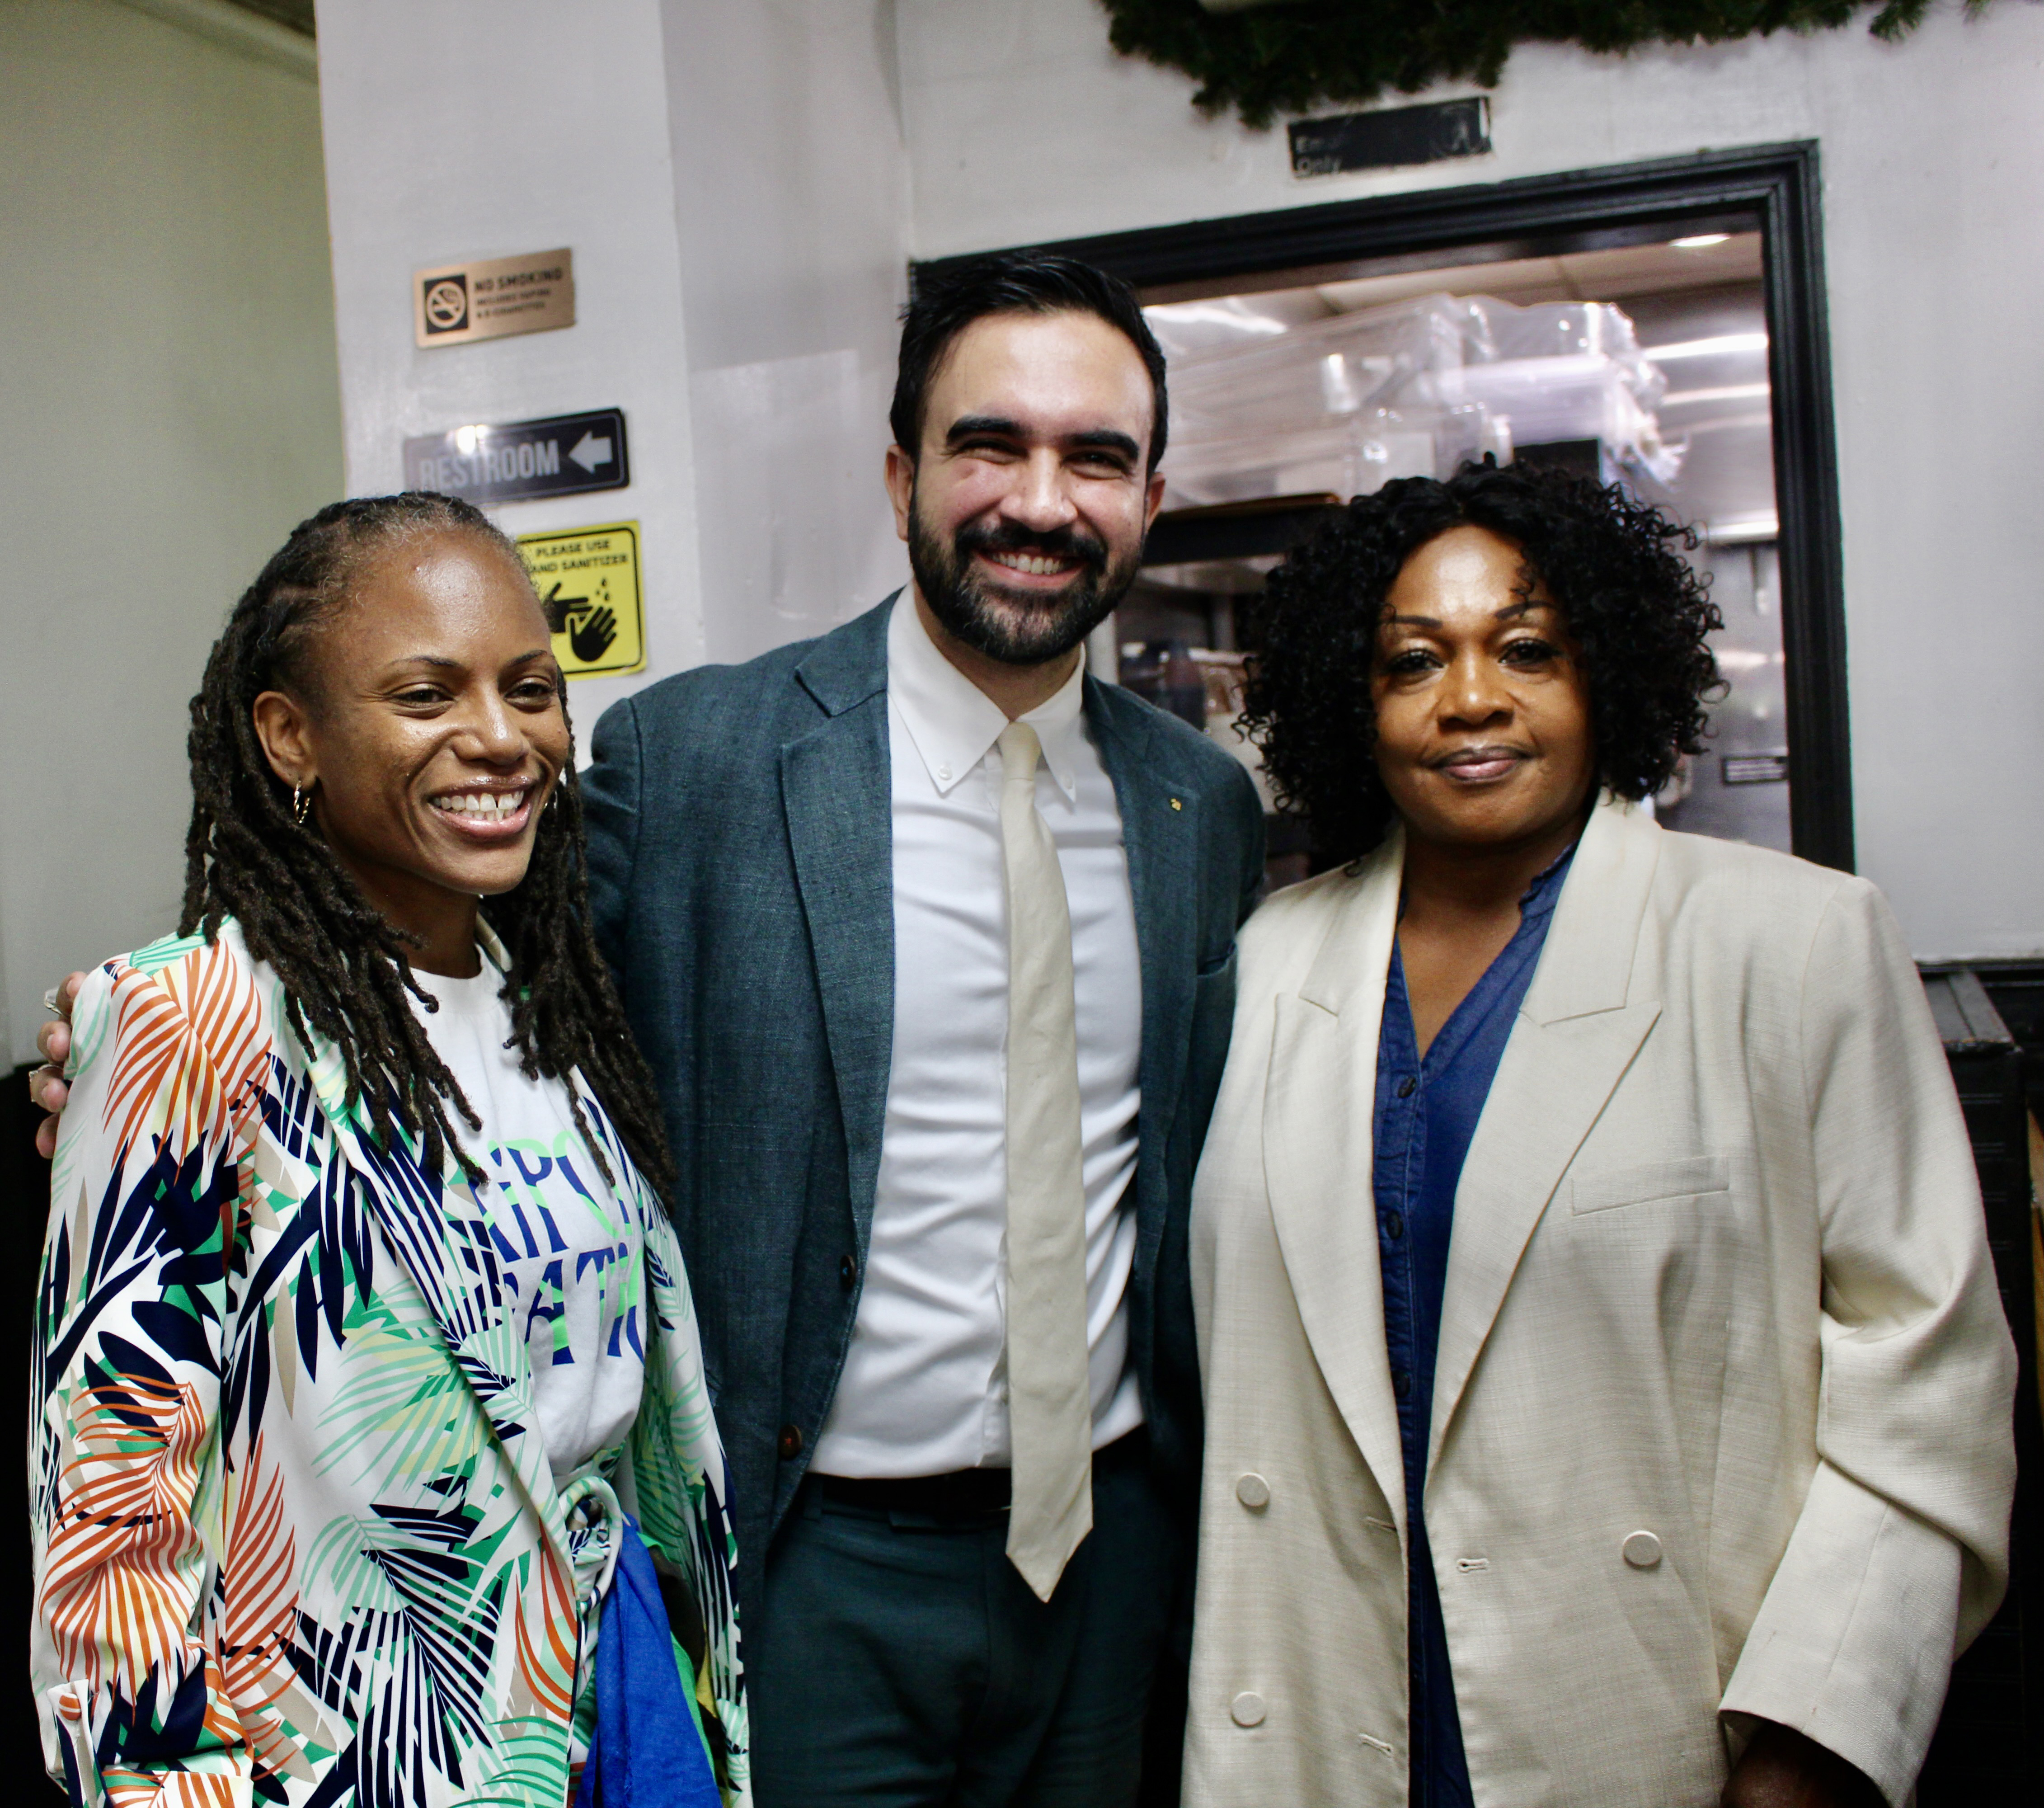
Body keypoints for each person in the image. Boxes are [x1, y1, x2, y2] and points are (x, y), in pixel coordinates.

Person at [1182, 461, 2017, 1808]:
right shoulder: (1271, 960)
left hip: (1646, 1704)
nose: (1470, 699)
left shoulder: (1791, 942)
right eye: (1413, 661)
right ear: (1356, 702)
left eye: (1527, 651)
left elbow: (1926, 1383)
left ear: (1605, 679)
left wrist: (1811, 1738)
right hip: (1326, 1699)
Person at [573, 254, 1262, 1805]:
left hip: (1109, 1562)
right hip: (813, 1564)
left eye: (1095, 459)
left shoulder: (1197, 806)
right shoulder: (695, 763)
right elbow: (473, 1000)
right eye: (988, 446)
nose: (1040, 502)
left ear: (1151, 501)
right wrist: (187, 1046)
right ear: (901, 478)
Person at [30, 494, 746, 1808]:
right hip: (368, 1750)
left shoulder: (551, 1000)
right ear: (289, 737)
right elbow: (111, 1499)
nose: (501, 737)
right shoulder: (193, 1018)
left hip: (618, 1698)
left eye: (529, 689)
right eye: (426, 694)